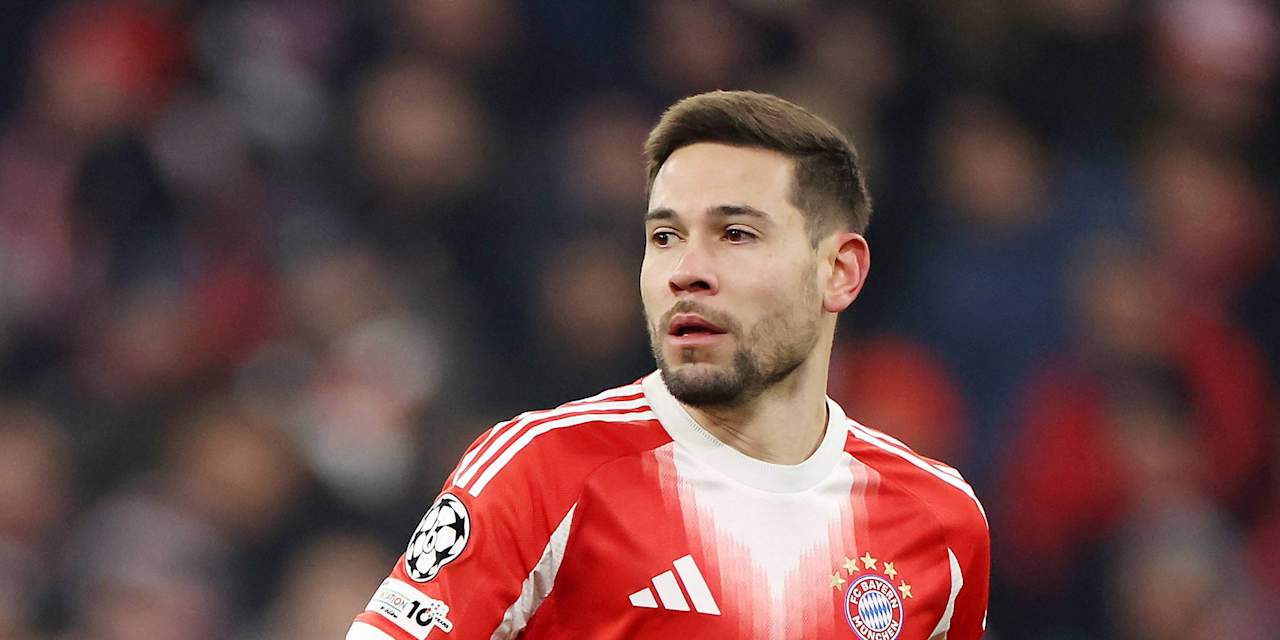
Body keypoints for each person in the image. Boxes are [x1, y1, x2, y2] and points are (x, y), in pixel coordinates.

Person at [347, 91, 989, 640]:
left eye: (736, 234)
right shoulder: (543, 469)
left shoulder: (940, 521)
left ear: (839, 272)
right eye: (664, 236)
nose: (686, 272)